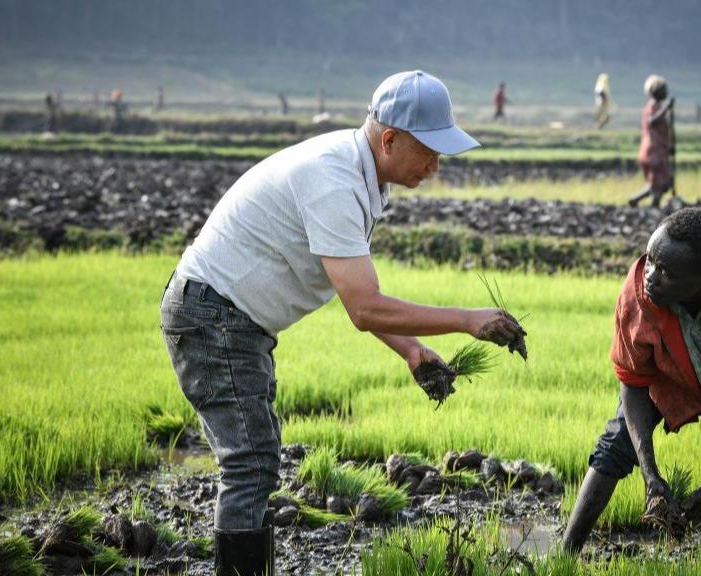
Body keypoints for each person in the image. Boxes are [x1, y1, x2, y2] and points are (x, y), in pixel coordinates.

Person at [160, 70, 528, 576]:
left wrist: (411, 350)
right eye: (430, 151)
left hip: (232, 320)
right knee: (250, 463)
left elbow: (345, 282)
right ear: (391, 139)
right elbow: (364, 306)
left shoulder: (362, 176)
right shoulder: (333, 180)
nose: (436, 166)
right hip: (214, 316)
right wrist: (467, 320)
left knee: (256, 459)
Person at [562, 207, 701, 554]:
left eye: (667, 272)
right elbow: (634, 382)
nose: (650, 276)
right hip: (670, 374)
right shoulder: (637, 295)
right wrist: (650, 476)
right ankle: (565, 552)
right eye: (651, 260)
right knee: (615, 443)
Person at [628, 75, 674, 208]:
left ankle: (640, 202)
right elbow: (652, 121)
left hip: (658, 149)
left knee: (660, 184)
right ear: (657, 92)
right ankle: (651, 206)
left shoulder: (657, 107)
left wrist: (668, 146)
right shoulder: (653, 106)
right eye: (664, 90)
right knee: (658, 183)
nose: (666, 92)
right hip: (653, 151)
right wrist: (666, 108)